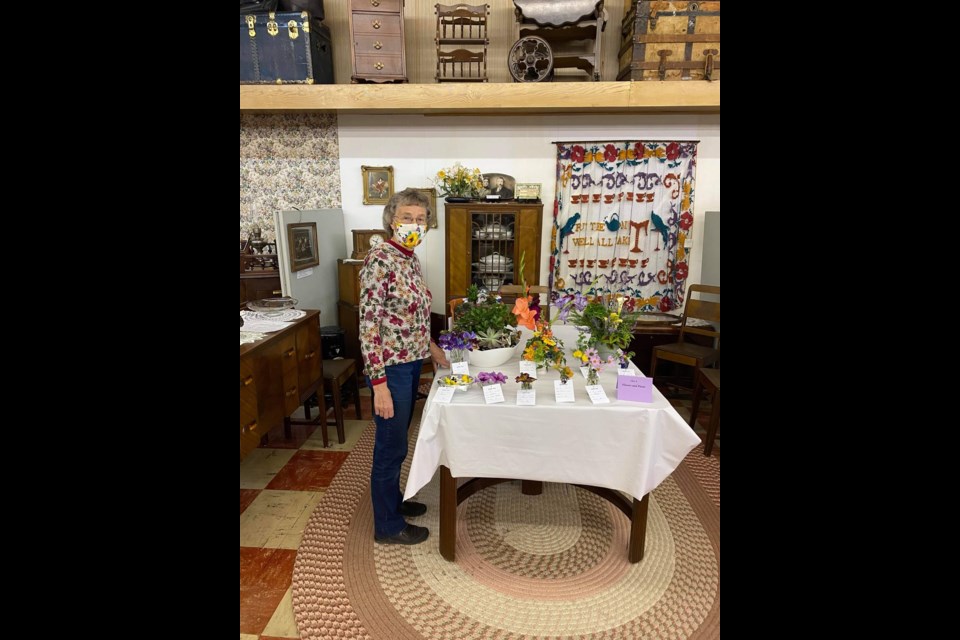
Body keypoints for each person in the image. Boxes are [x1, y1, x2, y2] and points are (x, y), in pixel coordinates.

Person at [359, 187, 450, 545]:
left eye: (420, 219)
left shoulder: (408, 258)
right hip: (391, 370)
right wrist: (378, 384)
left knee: (399, 442)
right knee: (389, 446)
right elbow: (369, 325)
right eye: (406, 218)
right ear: (391, 221)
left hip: (411, 364)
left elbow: (407, 317)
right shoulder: (380, 260)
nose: (414, 224)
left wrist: (431, 348)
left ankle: (393, 503)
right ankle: (387, 526)